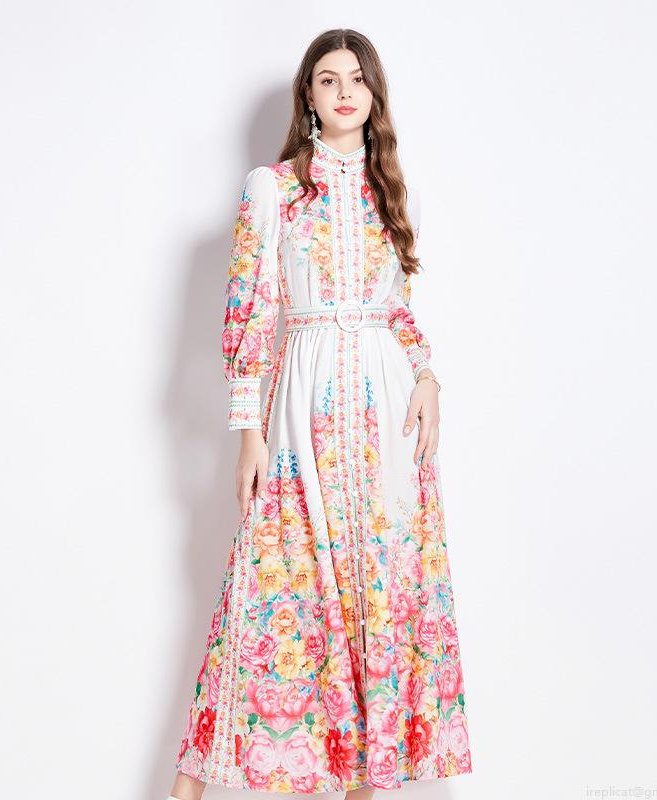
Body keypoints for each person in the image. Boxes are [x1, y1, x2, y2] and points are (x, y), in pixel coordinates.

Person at [169, 28, 472, 800]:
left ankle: (361, 785)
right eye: (328, 78)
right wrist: (248, 435)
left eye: (357, 79)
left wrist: (427, 374)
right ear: (307, 93)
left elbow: (397, 308)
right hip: (302, 407)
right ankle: (186, 790)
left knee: (379, 595)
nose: (344, 91)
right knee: (271, 585)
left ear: (374, 95)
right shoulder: (272, 188)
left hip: (388, 413)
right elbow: (250, 315)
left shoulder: (390, 190)